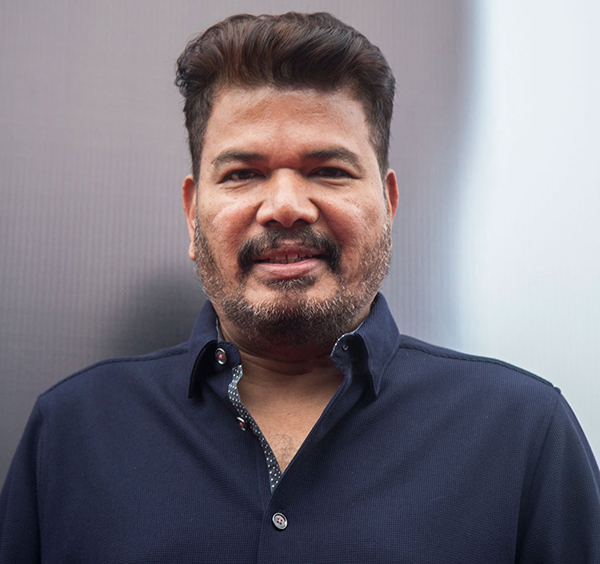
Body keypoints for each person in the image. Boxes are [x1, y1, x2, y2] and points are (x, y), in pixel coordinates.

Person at [1, 11, 599, 563]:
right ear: (192, 214)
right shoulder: (71, 434)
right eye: (243, 174)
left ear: (388, 204)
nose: (285, 206)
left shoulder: (525, 436)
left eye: (328, 171)